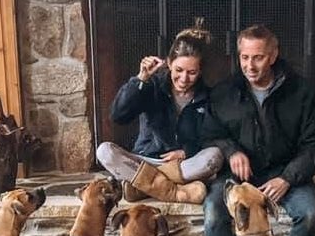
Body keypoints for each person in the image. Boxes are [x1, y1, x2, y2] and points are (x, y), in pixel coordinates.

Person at [198, 24, 315, 236]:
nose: (250, 65)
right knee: (214, 211)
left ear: (273, 55)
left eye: (257, 57)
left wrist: (288, 177)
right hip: (238, 175)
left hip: (286, 172)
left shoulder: (303, 92)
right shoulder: (224, 92)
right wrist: (231, 151)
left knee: (310, 214)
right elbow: (209, 135)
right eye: (244, 57)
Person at [96, 20, 224, 204]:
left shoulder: (208, 97)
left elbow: (213, 136)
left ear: (200, 71)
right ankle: (174, 192)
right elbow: (118, 115)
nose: (184, 78)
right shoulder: (151, 85)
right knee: (105, 151)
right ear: (169, 63)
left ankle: (143, 186)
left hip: (182, 164)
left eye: (192, 72)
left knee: (214, 156)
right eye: (179, 70)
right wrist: (141, 78)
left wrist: (186, 152)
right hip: (145, 160)